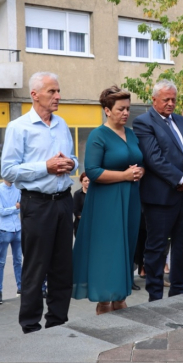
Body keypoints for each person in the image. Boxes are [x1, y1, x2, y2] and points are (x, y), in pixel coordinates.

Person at [1, 71, 78, 333]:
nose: (58, 96)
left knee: (62, 268)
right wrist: (45, 167)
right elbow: (8, 171)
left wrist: (72, 163)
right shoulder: (18, 127)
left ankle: (57, 322)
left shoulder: (62, 124)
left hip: (63, 201)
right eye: (52, 91)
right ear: (35, 95)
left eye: (58, 91)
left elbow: (73, 157)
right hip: (37, 203)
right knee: (35, 268)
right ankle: (30, 327)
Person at [73, 86, 144, 314]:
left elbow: (138, 160)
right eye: (121, 109)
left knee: (126, 248)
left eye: (128, 109)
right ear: (107, 110)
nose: (125, 113)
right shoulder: (98, 135)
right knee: (108, 252)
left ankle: (120, 296)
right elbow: (92, 171)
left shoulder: (131, 134)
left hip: (130, 200)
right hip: (106, 202)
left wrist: (139, 171)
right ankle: (105, 301)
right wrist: (124, 175)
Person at [133, 79, 183, 302]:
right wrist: (181, 178)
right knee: (156, 248)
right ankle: (155, 296)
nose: (171, 103)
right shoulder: (143, 122)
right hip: (160, 198)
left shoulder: (182, 121)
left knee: (182, 245)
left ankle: (178, 291)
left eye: (174, 99)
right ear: (154, 100)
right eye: (166, 100)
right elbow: (154, 159)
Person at [0, 179, 23, 305]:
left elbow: (21, 207)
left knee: (18, 261)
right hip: (4, 229)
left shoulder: (18, 189)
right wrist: (14, 207)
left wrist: (9, 209)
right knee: (1, 262)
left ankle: (20, 288)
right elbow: (1, 211)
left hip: (17, 228)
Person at [73, 172, 89, 237]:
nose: (88, 182)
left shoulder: (95, 194)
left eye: (89, 180)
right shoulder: (77, 194)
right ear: (81, 182)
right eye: (85, 181)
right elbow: (76, 211)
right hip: (81, 224)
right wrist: (86, 219)